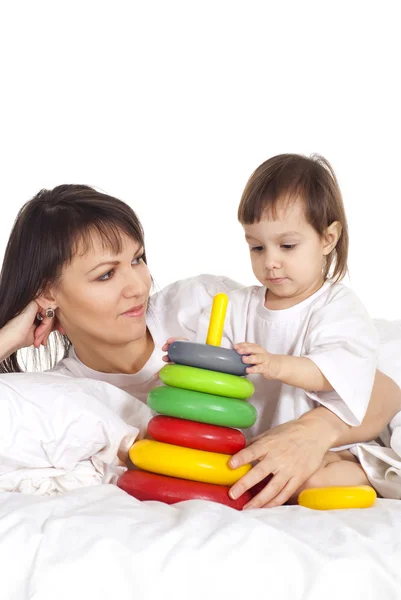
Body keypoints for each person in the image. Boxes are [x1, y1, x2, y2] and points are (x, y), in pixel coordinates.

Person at [0, 184, 399, 508]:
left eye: (137, 260)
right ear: (48, 292)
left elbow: (383, 390)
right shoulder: (57, 400)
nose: (137, 286)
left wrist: (313, 434)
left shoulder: (203, 309)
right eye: (106, 275)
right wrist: (11, 336)